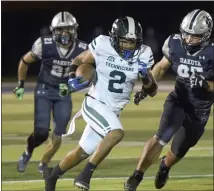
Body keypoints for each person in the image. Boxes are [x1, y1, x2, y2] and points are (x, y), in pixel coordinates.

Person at [43, 16, 158, 191]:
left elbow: (152, 91)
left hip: (113, 110)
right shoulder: (102, 44)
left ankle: (51, 177)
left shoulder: (144, 53)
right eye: (125, 42)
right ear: (114, 38)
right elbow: (79, 60)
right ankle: (85, 175)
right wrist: (73, 76)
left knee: (83, 151)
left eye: (133, 42)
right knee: (116, 133)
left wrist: (145, 76)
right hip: (95, 102)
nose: (129, 46)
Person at [124, 9, 214, 191]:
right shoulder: (174, 43)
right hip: (178, 100)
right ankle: (136, 175)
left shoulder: (211, 53)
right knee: (162, 136)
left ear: (205, 36)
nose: (188, 40)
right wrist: (148, 85)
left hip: (199, 110)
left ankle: (164, 167)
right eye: (186, 35)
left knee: (179, 150)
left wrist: (205, 84)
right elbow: (160, 67)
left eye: (194, 37)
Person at [14, 11, 88, 174]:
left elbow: (88, 75)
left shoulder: (83, 49)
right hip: (44, 89)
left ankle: (43, 164)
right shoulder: (44, 44)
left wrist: (72, 86)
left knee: (59, 133)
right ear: (53, 31)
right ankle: (28, 152)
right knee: (40, 132)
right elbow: (25, 61)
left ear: (74, 30)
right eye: (61, 29)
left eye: (68, 29)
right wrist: (21, 84)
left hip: (63, 93)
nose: (64, 33)